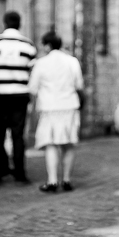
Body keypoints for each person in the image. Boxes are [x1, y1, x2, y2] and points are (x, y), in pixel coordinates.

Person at [28, 31, 85, 193]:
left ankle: (52, 181)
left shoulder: (41, 63)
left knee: (51, 143)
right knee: (69, 144)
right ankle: (66, 180)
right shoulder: (72, 61)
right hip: (69, 106)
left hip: (49, 108)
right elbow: (79, 85)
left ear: (47, 45)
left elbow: (32, 88)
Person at [0, 11, 37, 184]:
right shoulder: (28, 45)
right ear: (19, 24)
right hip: (19, 95)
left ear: (4, 23)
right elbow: (32, 70)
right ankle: (20, 173)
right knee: (18, 135)